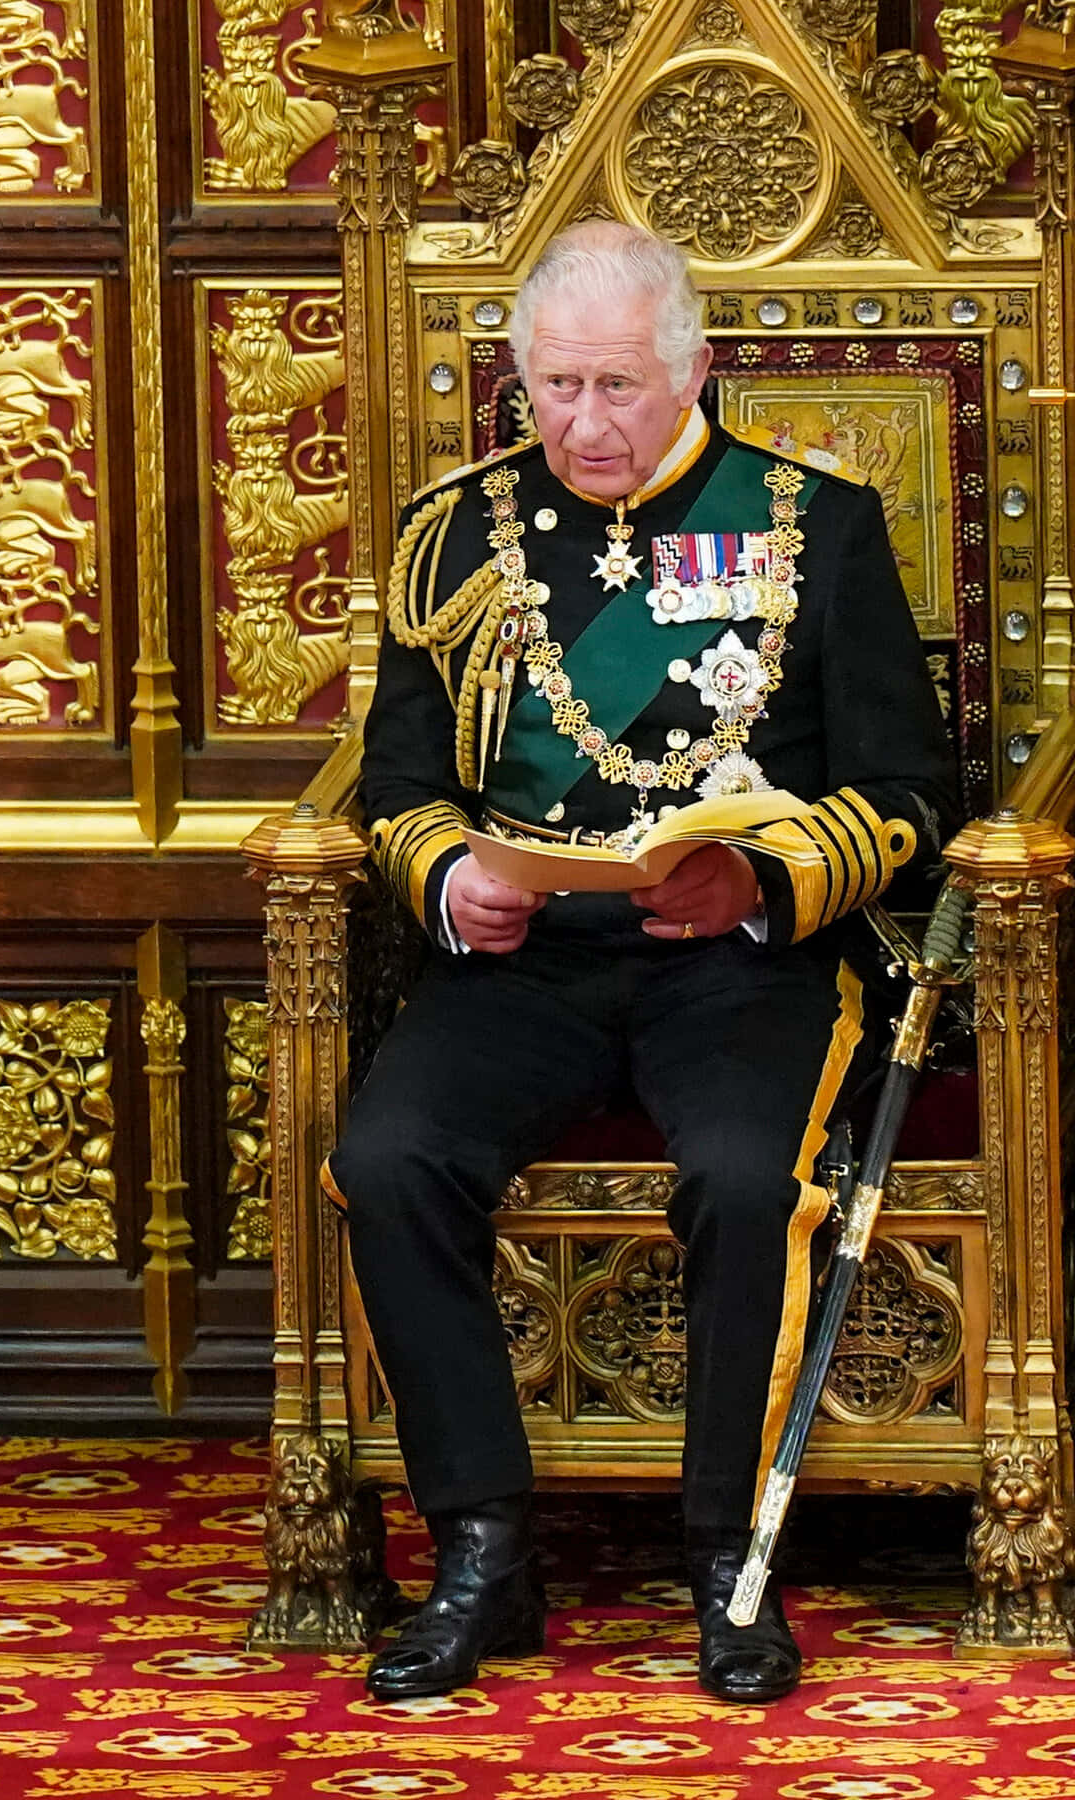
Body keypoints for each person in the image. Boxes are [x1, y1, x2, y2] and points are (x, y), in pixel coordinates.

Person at [328, 221, 958, 1705]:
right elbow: (395, 784)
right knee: (389, 1152)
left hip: (743, 960)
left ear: (692, 371)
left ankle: (724, 1564)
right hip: (527, 957)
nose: (584, 425)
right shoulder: (459, 539)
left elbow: (916, 796)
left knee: (745, 1178)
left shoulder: (816, 522)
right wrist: (450, 876)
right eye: (553, 388)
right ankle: (484, 1556)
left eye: (616, 385)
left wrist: (761, 876)